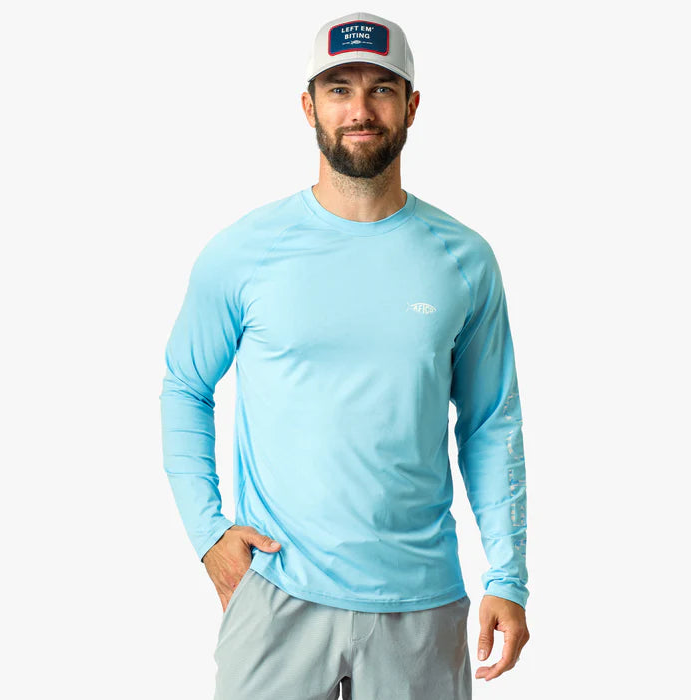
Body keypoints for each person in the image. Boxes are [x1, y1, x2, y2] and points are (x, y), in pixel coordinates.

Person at [159, 11, 530, 700]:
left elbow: (490, 423)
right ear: (309, 107)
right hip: (276, 594)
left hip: (421, 604)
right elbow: (185, 385)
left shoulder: (464, 259)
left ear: (411, 106)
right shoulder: (244, 251)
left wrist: (507, 577)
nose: (360, 110)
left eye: (382, 88)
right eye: (339, 89)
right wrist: (208, 533)